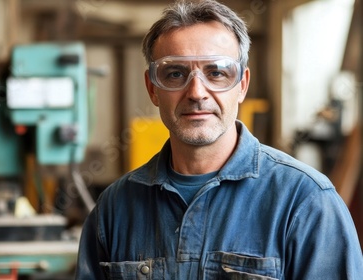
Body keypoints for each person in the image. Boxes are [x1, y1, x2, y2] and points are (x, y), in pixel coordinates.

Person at [75, 0, 363, 279]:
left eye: (216, 72)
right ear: (152, 88)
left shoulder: (305, 202)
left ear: (242, 86)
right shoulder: (114, 208)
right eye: (175, 73)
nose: (197, 92)